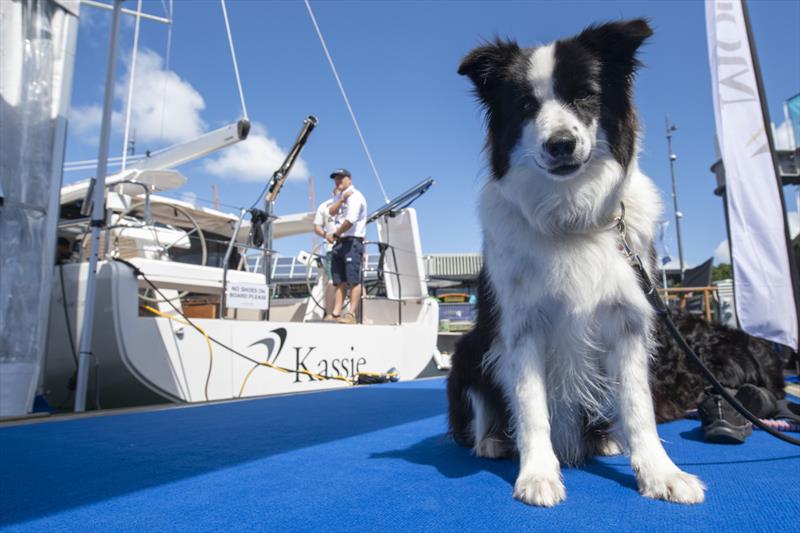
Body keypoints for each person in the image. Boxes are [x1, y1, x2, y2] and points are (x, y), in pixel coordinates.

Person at [326, 168, 367, 324]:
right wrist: (342, 199)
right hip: (339, 243)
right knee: (339, 280)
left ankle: (351, 313)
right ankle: (336, 313)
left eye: (341, 178)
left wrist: (335, 234)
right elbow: (331, 211)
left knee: (353, 280)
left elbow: (350, 220)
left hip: (352, 242)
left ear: (349, 179)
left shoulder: (356, 196)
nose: (338, 181)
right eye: (336, 178)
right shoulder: (340, 196)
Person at [312, 187, 338, 318]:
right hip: (332, 249)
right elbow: (317, 227)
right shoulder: (324, 206)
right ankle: (329, 314)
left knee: (356, 281)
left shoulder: (352, 203)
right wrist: (326, 235)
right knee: (332, 281)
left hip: (351, 247)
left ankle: (356, 314)